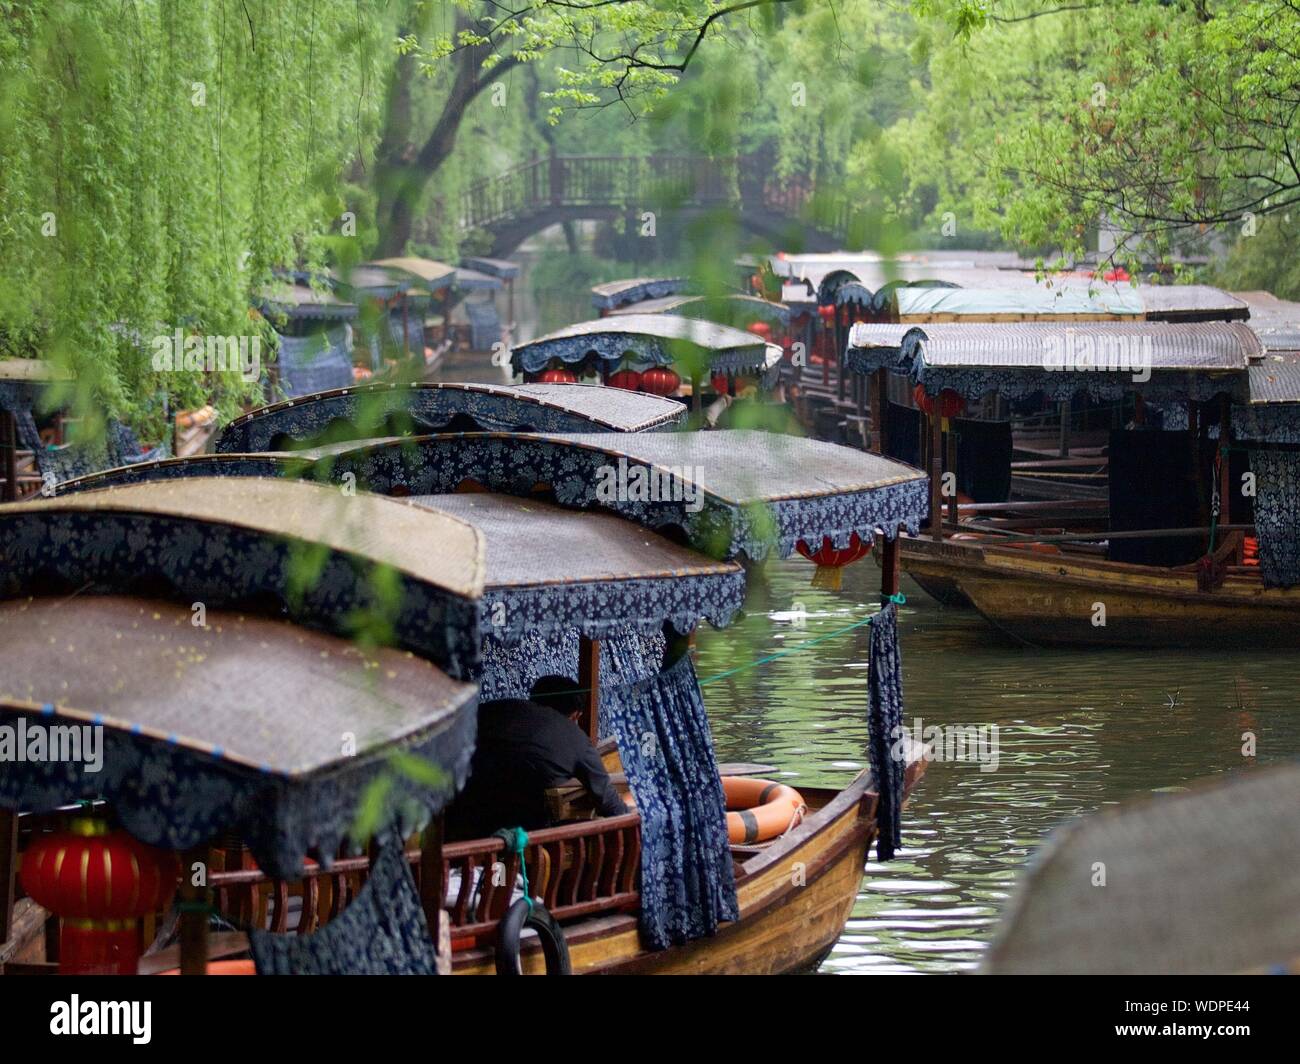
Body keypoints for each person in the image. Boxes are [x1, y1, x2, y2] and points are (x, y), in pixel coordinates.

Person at [445, 676, 628, 840]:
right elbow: (609, 802)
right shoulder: (576, 738)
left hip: (454, 824)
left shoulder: (491, 710)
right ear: (576, 715)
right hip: (516, 837)